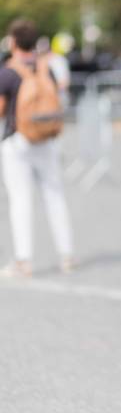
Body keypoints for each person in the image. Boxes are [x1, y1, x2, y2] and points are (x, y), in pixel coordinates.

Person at [0, 19, 74, 277]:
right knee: (54, 195)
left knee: (20, 199)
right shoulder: (47, 68)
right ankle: (66, 255)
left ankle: (24, 260)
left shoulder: (8, 72)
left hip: (18, 140)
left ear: (13, 42)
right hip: (48, 139)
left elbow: (1, 109)